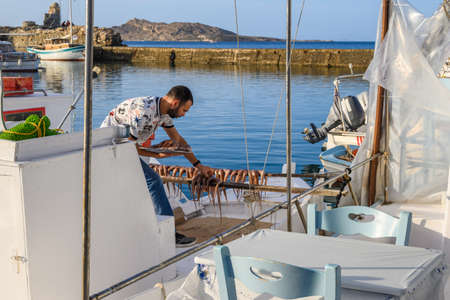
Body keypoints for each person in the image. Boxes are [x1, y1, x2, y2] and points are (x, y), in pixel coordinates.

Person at [101, 85, 212, 247]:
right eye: (184, 110)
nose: (184, 115)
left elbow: (179, 141)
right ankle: (169, 235)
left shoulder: (163, 114)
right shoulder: (144, 112)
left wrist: (198, 165)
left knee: (149, 180)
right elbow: (129, 148)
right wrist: (156, 154)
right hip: (107, 148)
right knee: (153, 180)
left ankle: (156, 226)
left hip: (122, 147)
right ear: (175, 103)